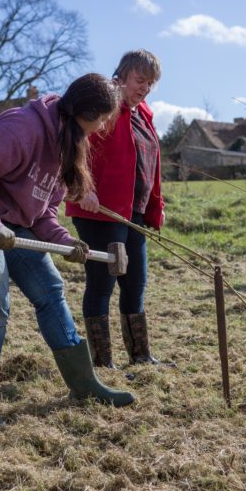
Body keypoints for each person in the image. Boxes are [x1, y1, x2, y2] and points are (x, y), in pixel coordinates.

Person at [0, 73, 135, 426]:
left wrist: (66, 242)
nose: (103, 126)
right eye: (101, 118)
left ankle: (84, 385)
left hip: (8, 217)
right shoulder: (23, 128)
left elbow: (42, 214)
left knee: (50, 288)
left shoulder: (69, 144)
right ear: (84, 111)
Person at [66, 50, 164, 368]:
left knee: (135, 282)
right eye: (140, 80)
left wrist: (154, 206)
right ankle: (101, 363)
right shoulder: (103, 105)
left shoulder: (143, 114)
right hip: (100, 211)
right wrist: (82, 189)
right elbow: (74, 146)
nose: (145, 88)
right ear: (121, 76)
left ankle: (141, 357)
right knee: (103, 284)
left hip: (133, 213)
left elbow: (151, 164)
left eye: (150, 83)